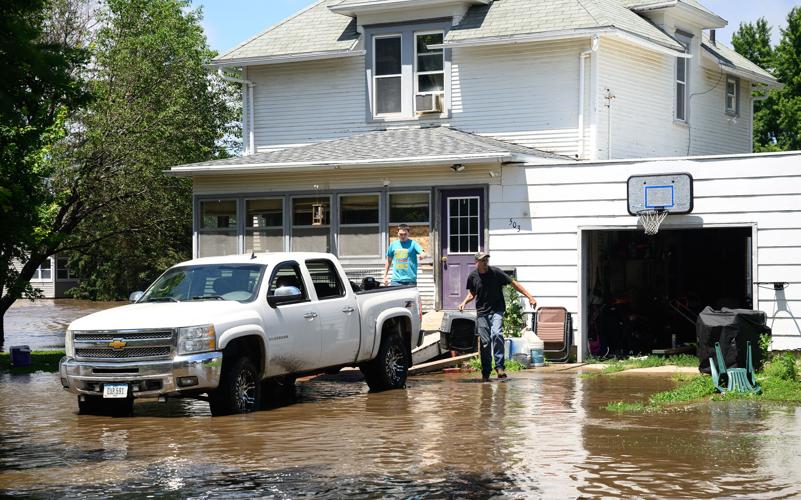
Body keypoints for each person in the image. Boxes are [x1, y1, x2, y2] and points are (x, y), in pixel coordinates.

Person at [459, 252, 537, 381]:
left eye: (486, 260)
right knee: (485, 342)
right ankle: (486, 371)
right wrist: (463, 302)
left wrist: (530, 296)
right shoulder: (472, 277)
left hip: (497, 310)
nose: (485, 263)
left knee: (496, 334)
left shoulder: (496, 273)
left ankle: (500, 367)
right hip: (482, 312)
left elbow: (514, 284)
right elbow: (472, 293)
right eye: (482, 260)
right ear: (476, 262)